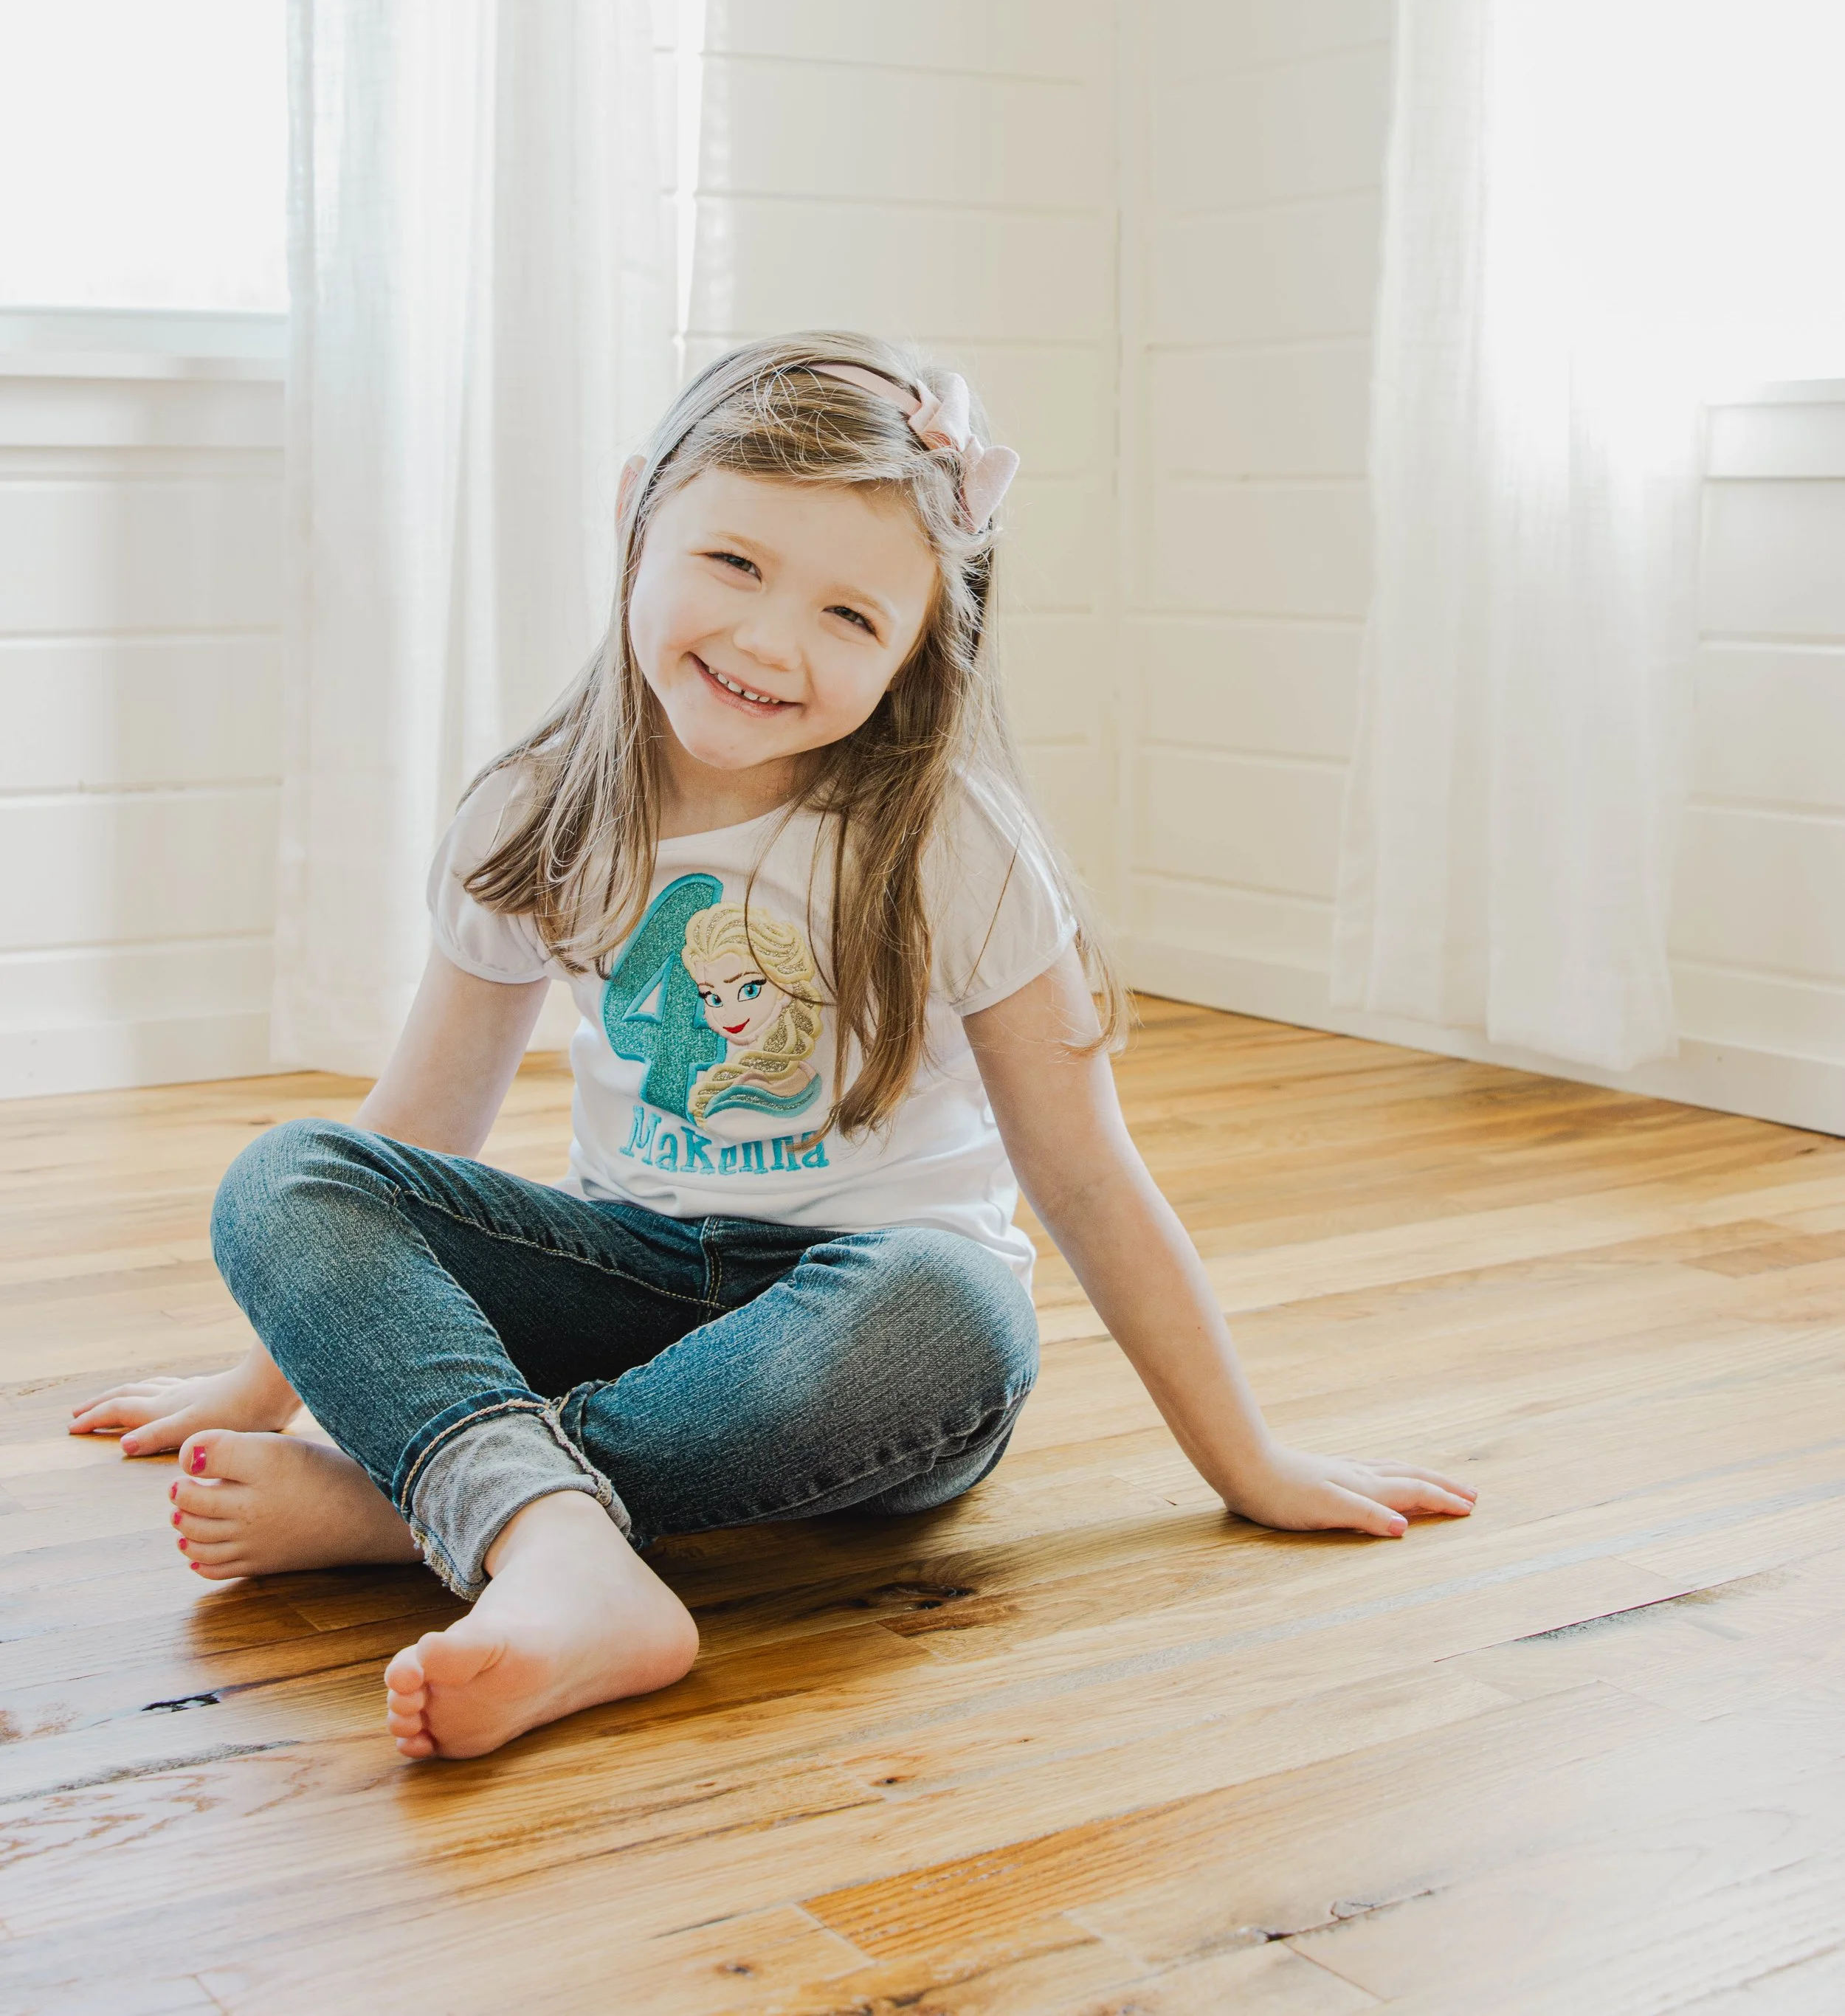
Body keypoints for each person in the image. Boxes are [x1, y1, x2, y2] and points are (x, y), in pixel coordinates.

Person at [71, 334, 1475, 1761]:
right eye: (735, 563)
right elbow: (419, 1133)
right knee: (290, 1173)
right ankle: (548, 1536)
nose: (768, 641)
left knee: (952, 1302)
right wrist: (261, 1379)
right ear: (637, 515)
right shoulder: (534, 810)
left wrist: (1251, 1462)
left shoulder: (955, 845)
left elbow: (1092, 1181)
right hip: (632, 1284)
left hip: (863, 1329)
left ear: (924, 644)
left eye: (851, 615)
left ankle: (438, 1496)